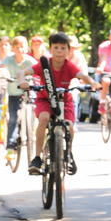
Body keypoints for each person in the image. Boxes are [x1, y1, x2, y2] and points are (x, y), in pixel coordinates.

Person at [28, 32, 98, 175]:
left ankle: (68, 154)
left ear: (68, 50)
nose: (59, 51)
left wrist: (92, 82)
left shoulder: (69, 66)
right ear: (50, 49)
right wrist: (22, 80)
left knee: (70, 126)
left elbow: (82, 76)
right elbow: (24, 72)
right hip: (45, 100)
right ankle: (37, 157)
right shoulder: (44, 64)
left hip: (64, 101)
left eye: (63, 48)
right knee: (44, 118)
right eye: (56, 48)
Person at [2, 36, 36, 159]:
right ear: (13, 48)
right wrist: (3, 75)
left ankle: (33, 135)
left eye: (22, 47)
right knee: (13, 118)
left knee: (35, 112)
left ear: (26, 48)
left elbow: (39, 71)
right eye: (17, 47)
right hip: (14, 93)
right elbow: (2, 69)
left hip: (28, 92)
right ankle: (11, 146)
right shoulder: (8, 60)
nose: (20, 49)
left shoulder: (30, 61)